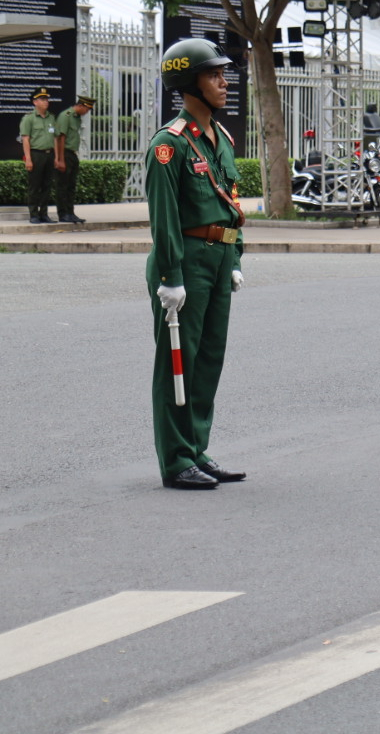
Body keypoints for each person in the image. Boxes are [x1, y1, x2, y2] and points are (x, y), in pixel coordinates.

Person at [146, 39, 247, 490]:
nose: (224, 83)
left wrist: (234, 257)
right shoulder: (169, 145)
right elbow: (164, 217)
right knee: (177, 363)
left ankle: (197, 449)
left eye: (223, 75)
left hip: (217, 257)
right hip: (184, 261)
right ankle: (175, 459)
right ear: (188, 83)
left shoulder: (219, 139)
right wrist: (170, 276)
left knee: (208, 360)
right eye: (213, 75)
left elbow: (232, 201)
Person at [53, 94, 95, 224]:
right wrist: (59, 159)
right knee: (62, 185)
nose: (86, 112)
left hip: (72, 153)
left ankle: (70, 213)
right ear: (80, 105)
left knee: (71, 186)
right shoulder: (66, 116)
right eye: (86, 109)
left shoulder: (76, 118)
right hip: (64, 152)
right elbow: (60, 138)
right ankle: (63, 213)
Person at [19, 88, 57, 224]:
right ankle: (34, 214)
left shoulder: (51, 117)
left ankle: (44, 214)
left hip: (49, 154)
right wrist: (28, 159)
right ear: (35, 102)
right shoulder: (29, 118)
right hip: (36, 154)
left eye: (46, 99)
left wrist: (57, 157)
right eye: (42, 99)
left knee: (47, 186)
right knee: (34, 186)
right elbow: (25, 140)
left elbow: (55, 139)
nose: (46, 101)